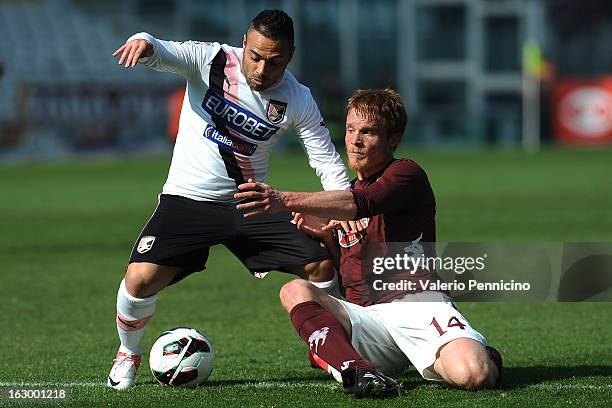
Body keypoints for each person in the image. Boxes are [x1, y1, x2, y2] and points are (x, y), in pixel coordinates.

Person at [107, 9, 350, 390]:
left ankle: (333, 347)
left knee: (322, 265)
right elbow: (164, 50)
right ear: (244, 43)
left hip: (250, 203)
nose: (262, 68)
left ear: (290, 55)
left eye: (275, 60)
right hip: (187, 200)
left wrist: (347, 207)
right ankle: (127, 354)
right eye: (255, 55)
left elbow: (326, 161)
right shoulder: (211, 60)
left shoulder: (298, 98)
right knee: (139, 279)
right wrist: (144, 39)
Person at [234, 89, 502, 398]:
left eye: (369, 132)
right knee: (293, 290)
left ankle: (479, 350)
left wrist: (282, 200)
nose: (355, 140)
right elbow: (346, 269)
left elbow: (362, 203)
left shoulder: (405, 174)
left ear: (393, 140)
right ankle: (357, 370)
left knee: (473, 373)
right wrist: (325, 239)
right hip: (367, 318)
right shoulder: (342, 198)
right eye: (350, 130)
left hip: (417, 304)